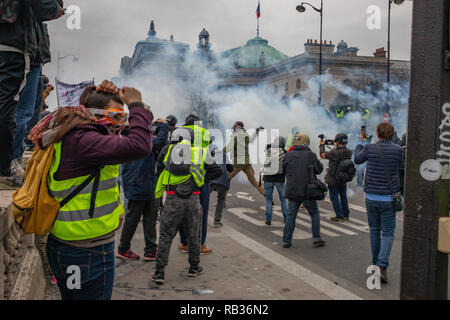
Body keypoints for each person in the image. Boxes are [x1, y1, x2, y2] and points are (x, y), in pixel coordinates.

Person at [43, 80, 154, 300]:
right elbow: (140, 145)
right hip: (82, 252)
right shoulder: (85, 140)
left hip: (80, 246)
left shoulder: (78, 135)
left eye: (124, 118)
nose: (122, 124)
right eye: (118, 117)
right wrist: (136, 105)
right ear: (96, 115)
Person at [0, 1, 64, 187]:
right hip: (12, 45)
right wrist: (56, 8)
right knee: (9, 107)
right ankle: (7, 165)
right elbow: (44, 6)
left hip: (10, 43)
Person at [152, 127, 222, 284]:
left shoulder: (166, 150)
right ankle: (193, 268)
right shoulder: (200, 152)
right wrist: (201, 176)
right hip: (193, 199)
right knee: (194, 235)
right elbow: (217, 171)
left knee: (165, 236)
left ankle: (159, 272)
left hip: (171, 199)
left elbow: (158, 171)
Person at [354, 122, 403, 283]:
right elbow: (400, 166)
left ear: (378, 133)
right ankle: (382, 265)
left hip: (371, 197)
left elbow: (358, 159)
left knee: (374, 231)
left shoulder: (370, 148)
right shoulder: (397, 150)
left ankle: (375, 264)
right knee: (388, 233)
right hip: (389, 198)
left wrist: (361, 142)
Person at [116, 117, 170, 261]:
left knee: (150, 217)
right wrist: (163, 126)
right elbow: (160, 142)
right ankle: (123, 248)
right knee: (133, 218)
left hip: (145, 184)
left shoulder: (130, 138)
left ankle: (151, 249)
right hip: (138, 185)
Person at [178, 114, 215, 255]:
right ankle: (200, 244)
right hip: (200, 178)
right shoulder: (204, 133)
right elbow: (210, 156)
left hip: (181, 178)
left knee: (182, 211)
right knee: (201, 212)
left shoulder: (177, 133)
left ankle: (184, 243)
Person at [282, 133, 326, 248]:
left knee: (291, 215)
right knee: (314, 213)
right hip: (308, 190)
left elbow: (283, 169)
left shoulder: (288, 155)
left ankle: (286, 240)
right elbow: (320, 169)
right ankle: (317, 238)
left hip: (292, 189)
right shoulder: (310, 155)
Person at [224, 121, 265, 196]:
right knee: (254, 181)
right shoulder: (245, 134)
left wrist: (219, 151)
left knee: (227, 178)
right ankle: (267, 196)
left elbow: (229, 147)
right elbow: (251, 140)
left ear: (238, 127)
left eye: (235, 126)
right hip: (246, 162)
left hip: (239, 162)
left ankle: (222, 201)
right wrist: (256, 131)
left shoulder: (235, 135)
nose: (233, 128)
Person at [320, 133, 354, 222]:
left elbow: (323, 155)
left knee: (334, 197)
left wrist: (322, 145)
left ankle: (339, 216)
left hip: (333, 179)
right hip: (343, 178)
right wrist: (334, 143)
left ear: (337, 141)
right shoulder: (349, 151)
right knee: (343, 196)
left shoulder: (334, 152)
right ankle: (346, 215)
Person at [262, 136, 288, 225]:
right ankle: (286, 218)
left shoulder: (269, 150)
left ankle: (268, 219)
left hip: (267, 177)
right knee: (283, 199)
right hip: (279, 178)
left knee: (268, 199)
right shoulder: (285, 152)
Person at [209, 148, 233, 227]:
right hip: (222, 181)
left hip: (211, 180)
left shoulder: (209, 154)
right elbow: (230, 168)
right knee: (221, 199)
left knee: (204, 198)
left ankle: (201, 218)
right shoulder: (224, 155)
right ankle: (217, 221)